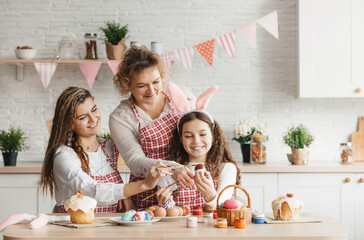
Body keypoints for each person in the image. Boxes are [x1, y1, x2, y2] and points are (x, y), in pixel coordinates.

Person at [40, 86, 172, 213]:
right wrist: (145, 184)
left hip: (108, 227)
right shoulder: (64, 156)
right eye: (82, 117)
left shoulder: (109, 147)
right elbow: (91, 190)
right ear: (68, 124)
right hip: (76, 229)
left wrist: (124, 195)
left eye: (94, 109)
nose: (93, 119)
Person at [109, 46, 195, 209]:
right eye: (142, 85)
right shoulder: (121, 117)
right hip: (151, 191)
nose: (151, 91)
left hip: (188, 182)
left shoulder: (181, 97)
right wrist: (172, 168)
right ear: (128, 84)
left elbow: (202, 134)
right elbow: (135, 161)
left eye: (156, 82)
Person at [167, 111, 241, 208]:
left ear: (213, 137)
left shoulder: (226, 168)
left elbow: (222, 209)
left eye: (202, 134)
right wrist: (164, 202)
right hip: (180, 223)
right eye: (188, 136)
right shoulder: (174, 169)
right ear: (181, 139)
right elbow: (168, 212)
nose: (196, 141)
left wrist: (210, 194)